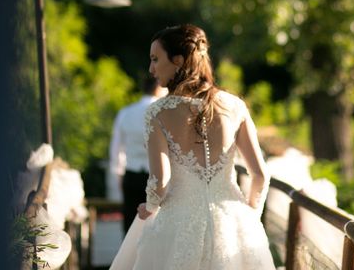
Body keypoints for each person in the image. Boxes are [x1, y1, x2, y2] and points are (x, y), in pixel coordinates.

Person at [110, 24, 275, 270]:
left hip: (178, 224)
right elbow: (260, 175)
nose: (151, 69)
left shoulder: (158, 112)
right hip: (234, 224)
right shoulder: (235, 106)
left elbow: (160, 181)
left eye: (155, 59)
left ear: (177, 60)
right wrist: (250, 215)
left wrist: (150, 206)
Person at [109, 75, 166, 234]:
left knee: (130, 225)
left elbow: (116, 147)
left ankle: (130, 258)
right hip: (157, 174)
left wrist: (117, 174)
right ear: (158, 87)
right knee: (156, 225)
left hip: (131, 173)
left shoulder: (126, 113)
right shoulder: (162, 111)